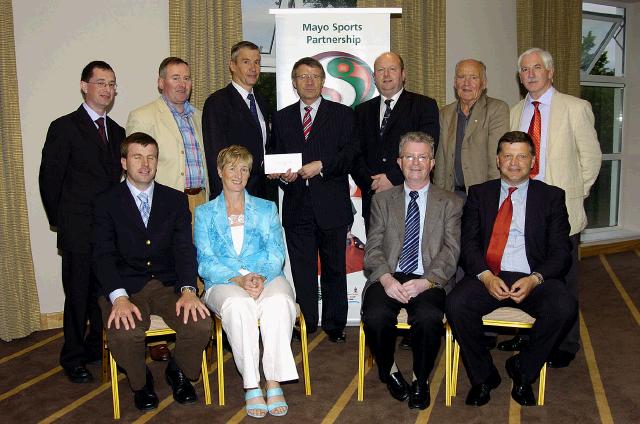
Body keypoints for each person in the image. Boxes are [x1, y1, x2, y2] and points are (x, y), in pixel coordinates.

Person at [446, 131, 578, 406]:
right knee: (456, 304)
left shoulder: (552, 197)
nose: (514, 162)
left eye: (521, 156)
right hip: (490, 272)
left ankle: (524, 370)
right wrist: (484, 276)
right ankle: (483, 376)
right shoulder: (480, 193)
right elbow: (467, 244)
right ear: (498, 160)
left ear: (532, 161)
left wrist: (535, 279)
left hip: (534, 274)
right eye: (508, 156)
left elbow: (561, 252)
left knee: (564, 306)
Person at [92, 132, 212, 411]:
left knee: (199, 323)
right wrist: (118, 298)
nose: (145, 164)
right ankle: (140, 381)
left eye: (151, 157)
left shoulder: (174, 200)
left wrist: (188, 289)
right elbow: (102, 255)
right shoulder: (105, 202)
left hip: (168, 285)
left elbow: (184, 249)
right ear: (124, 162)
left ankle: (178, 371)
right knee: (125, 332)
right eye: (137, 157)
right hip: (124, 287)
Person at [504, 48, 602, 368]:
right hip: (524, 210)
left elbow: (591, 160)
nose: (530, 74)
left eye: (536, 68)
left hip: (560, 211)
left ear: (550, 72)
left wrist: (572, 197)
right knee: (528, 275)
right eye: (524, 70)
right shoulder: (516, 110)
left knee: (563, 279)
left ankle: (566, 344)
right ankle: (532, 333)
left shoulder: (576, 107)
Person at [361, 132, 463, 410]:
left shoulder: (451, 202)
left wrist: (426, 282)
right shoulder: (383, 200)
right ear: (399, 161)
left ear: (432, 162)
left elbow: (452, 251)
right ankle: (389, 370)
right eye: (409, 156)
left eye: (422, 157)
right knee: (375, 316)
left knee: (429, 317)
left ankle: (420, 379)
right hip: (390, 275)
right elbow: (373, 248)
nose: (415, 163)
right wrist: (385, 278)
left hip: (428, 278)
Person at [194, 145, 297, 418]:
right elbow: (205, 261)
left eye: (244, 169)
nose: (238, 175)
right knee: (238, 306)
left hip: (266, 275)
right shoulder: (204, 214)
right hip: (224, 280)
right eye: (231, 168)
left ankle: (273, 381)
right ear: (219, 172)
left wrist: (259, 276)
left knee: (280, 301)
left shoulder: (266, 208)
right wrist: (239, 280)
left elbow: (276, 252)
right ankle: (252, 384)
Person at [39, 60, 125, 384]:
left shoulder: (118, 132)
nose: (107, 89)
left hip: (107, 232)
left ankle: (94, 348)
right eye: (100, 82)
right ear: (84, 86)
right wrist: (61, 222)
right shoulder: (63, 127)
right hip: (76, 229)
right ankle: (72, 357)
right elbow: (49, 179)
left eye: (112, 84)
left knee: (102, 295)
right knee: (76, 296)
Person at [268, 57, 357, 343]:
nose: (309, 81)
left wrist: (323, 165)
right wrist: (283, 176)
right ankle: (307, 323)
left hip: (332, 204)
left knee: (334, 269)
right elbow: (273, 157)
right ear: (294, 83)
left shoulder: (343, 115)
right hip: (296, 207)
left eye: (315, 76)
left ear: (323, 81)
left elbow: (351, 154)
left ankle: (335, 325)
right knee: (302, 271)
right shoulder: (280, 118)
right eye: (303, 76)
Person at [126, 56, 208, 361]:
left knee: (196, 261)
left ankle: (193, 327)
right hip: (165, 205)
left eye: (186, 78)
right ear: (161, 82)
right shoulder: (143, 115)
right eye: (175, 78)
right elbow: (137, 165)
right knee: (163, 264)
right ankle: (156, 339)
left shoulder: (200, 116)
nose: (182, 84)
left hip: (200, 200)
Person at [352, 52, 440, 232]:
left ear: (403, 74)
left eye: (392, 69)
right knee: (377, 257)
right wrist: (372, 183)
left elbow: (427, 150)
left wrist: (392, 178)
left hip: (410, 195)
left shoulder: (424, 106)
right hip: (373, 198)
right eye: (381, 70)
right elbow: (354, 154)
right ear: (374, 77)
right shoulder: (361, 111)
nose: (386, 75)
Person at [202, 41, 277, 202]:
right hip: (232, 195)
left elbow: (263, 146)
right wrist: (224, 200)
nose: (253, 68)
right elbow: (216, 155)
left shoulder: (262, 102)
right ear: (232, 66)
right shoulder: (217, 102)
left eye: (257, 62)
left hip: (261, 194)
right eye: (246, 62)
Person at [434, 59, 510, 196]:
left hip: (482, 195)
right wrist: (439, 196)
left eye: (473, 77)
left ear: (484, 83)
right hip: (451, 196)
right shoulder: (445, 113)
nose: (466, 83)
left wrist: (491, 198)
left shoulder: (497, 109)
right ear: (454, 82)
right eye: (461, 77)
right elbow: (441, 160)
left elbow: (496, 160)